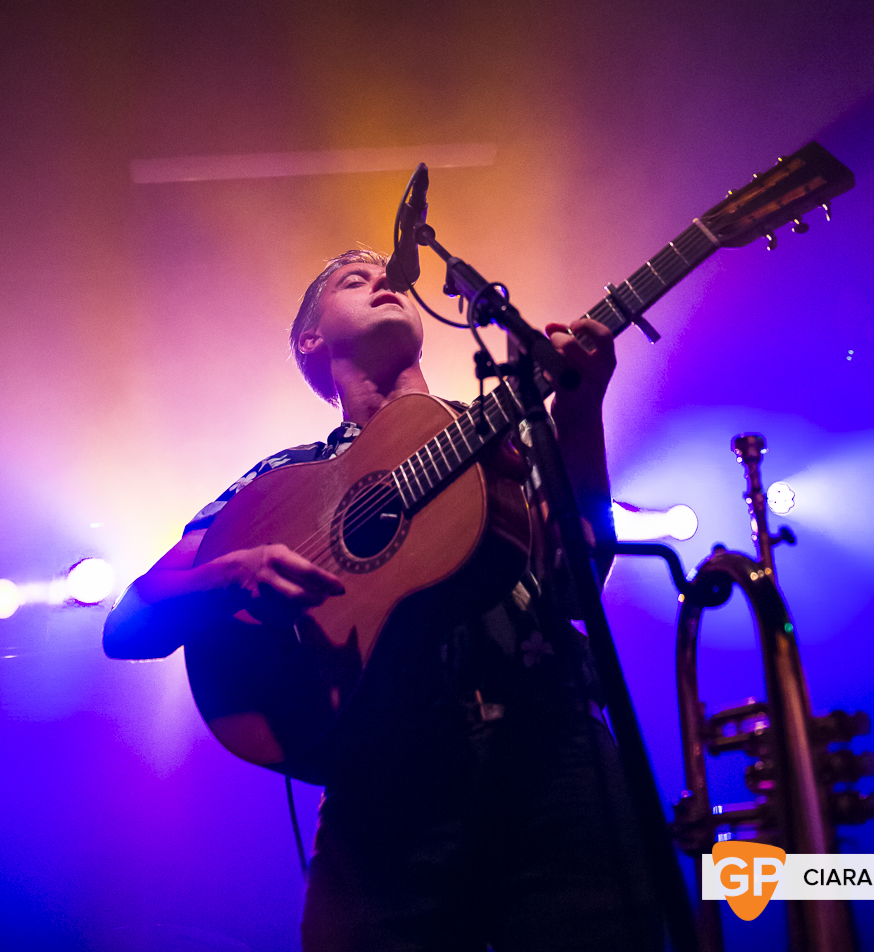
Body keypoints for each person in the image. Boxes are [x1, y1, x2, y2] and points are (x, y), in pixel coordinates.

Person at [104, 249, 663, 952]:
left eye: (391, 274)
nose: (385, 282)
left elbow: (580, 579)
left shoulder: (505, 432)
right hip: (379, 791)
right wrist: (232, 575)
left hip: (548, 757)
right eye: (352, 278)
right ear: (310, 338)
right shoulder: (283, 483)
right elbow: (129, 622)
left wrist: (580, 412)